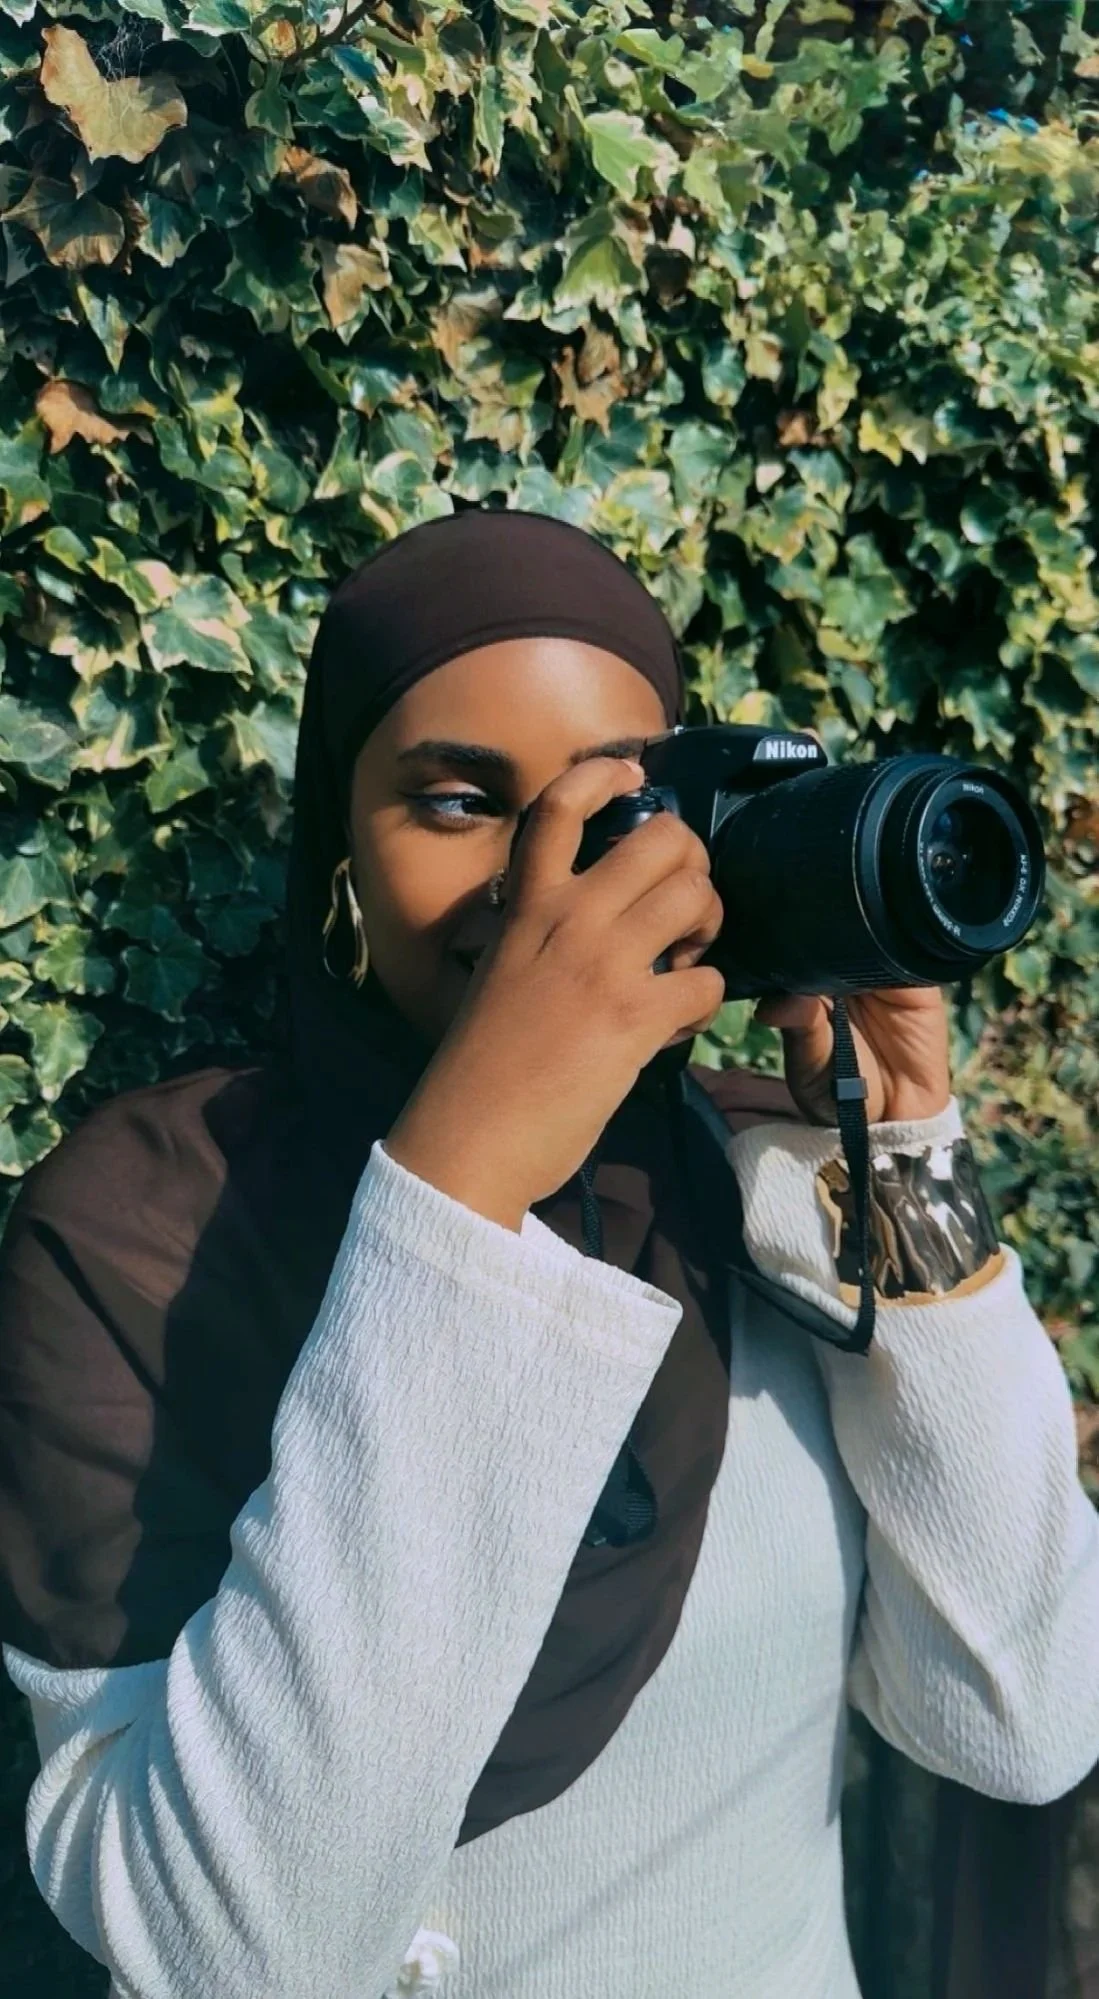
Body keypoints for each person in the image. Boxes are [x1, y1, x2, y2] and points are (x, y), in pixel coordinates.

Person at [0, 507, 1096, 1999]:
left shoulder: (761, 1171)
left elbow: (1020, 1711)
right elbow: (235, 1949)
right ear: (336, 854)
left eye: (615, 810)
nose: (545, 876)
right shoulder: (141, 1230)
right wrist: (457, 1190)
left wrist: (907, 1147)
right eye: (458, 801)